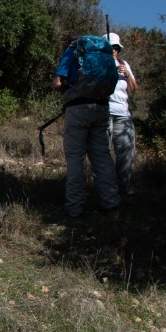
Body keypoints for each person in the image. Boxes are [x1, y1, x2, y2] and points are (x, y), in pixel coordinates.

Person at [52, 36, 120, 218]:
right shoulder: (103, 53)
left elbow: (57, 83)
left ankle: (75, 208)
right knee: (102, 156)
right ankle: (110, 203)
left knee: (75, 158)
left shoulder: (72, 51)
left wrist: (66, 91)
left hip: (78, 110)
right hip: (102, 108)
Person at [105, 32, 137, 195]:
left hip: (123, 114)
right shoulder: (99, 63)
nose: (114, 50)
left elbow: (133, 88)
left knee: (126, 152)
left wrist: (127, 74)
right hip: (104, 112)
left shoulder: (124, 64)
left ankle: (123, 188)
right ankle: (106, 189)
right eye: (110, 47)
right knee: (103, 153)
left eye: (116, 48)